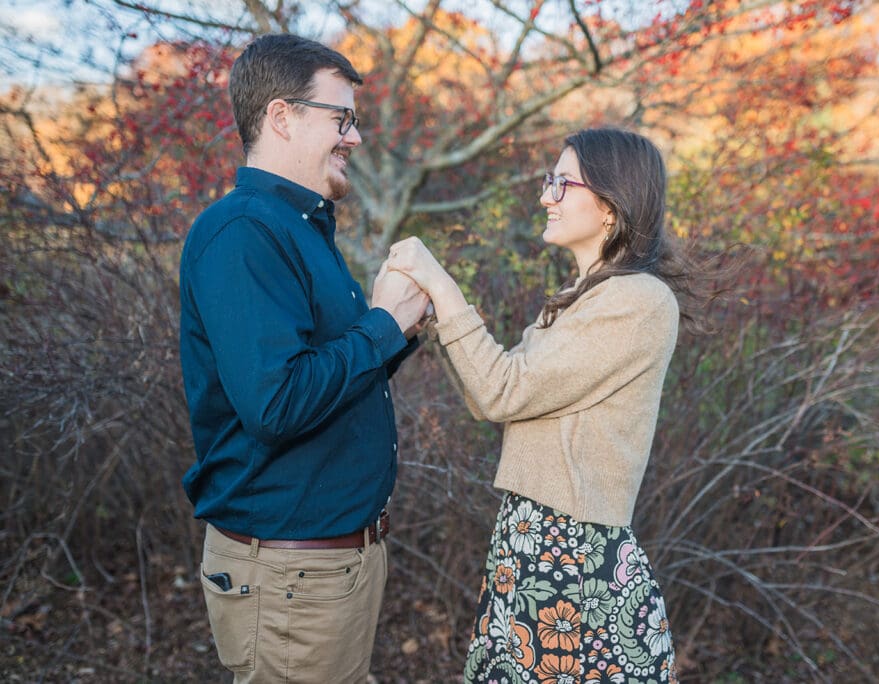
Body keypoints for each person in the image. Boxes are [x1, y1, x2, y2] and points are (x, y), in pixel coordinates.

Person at [387, 128, 716, 683]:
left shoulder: (636, 300)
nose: (547, 197)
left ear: (610, 204)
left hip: (571, 556)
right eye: (549, 182)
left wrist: (442, 286)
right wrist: (440, 318)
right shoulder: (585, 297)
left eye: (562, 183)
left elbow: (500, 389)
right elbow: (487, 397)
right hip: (534, 542)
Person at [178, 34, 428, 683]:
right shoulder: (242, 233)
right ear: (281, 117)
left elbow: (327, 381)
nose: (356, 138)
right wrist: (382, 326)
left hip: (331, 567)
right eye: (341, 118)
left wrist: (396, 330)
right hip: (291, 575)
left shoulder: (303, 228)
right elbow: (278, 404)